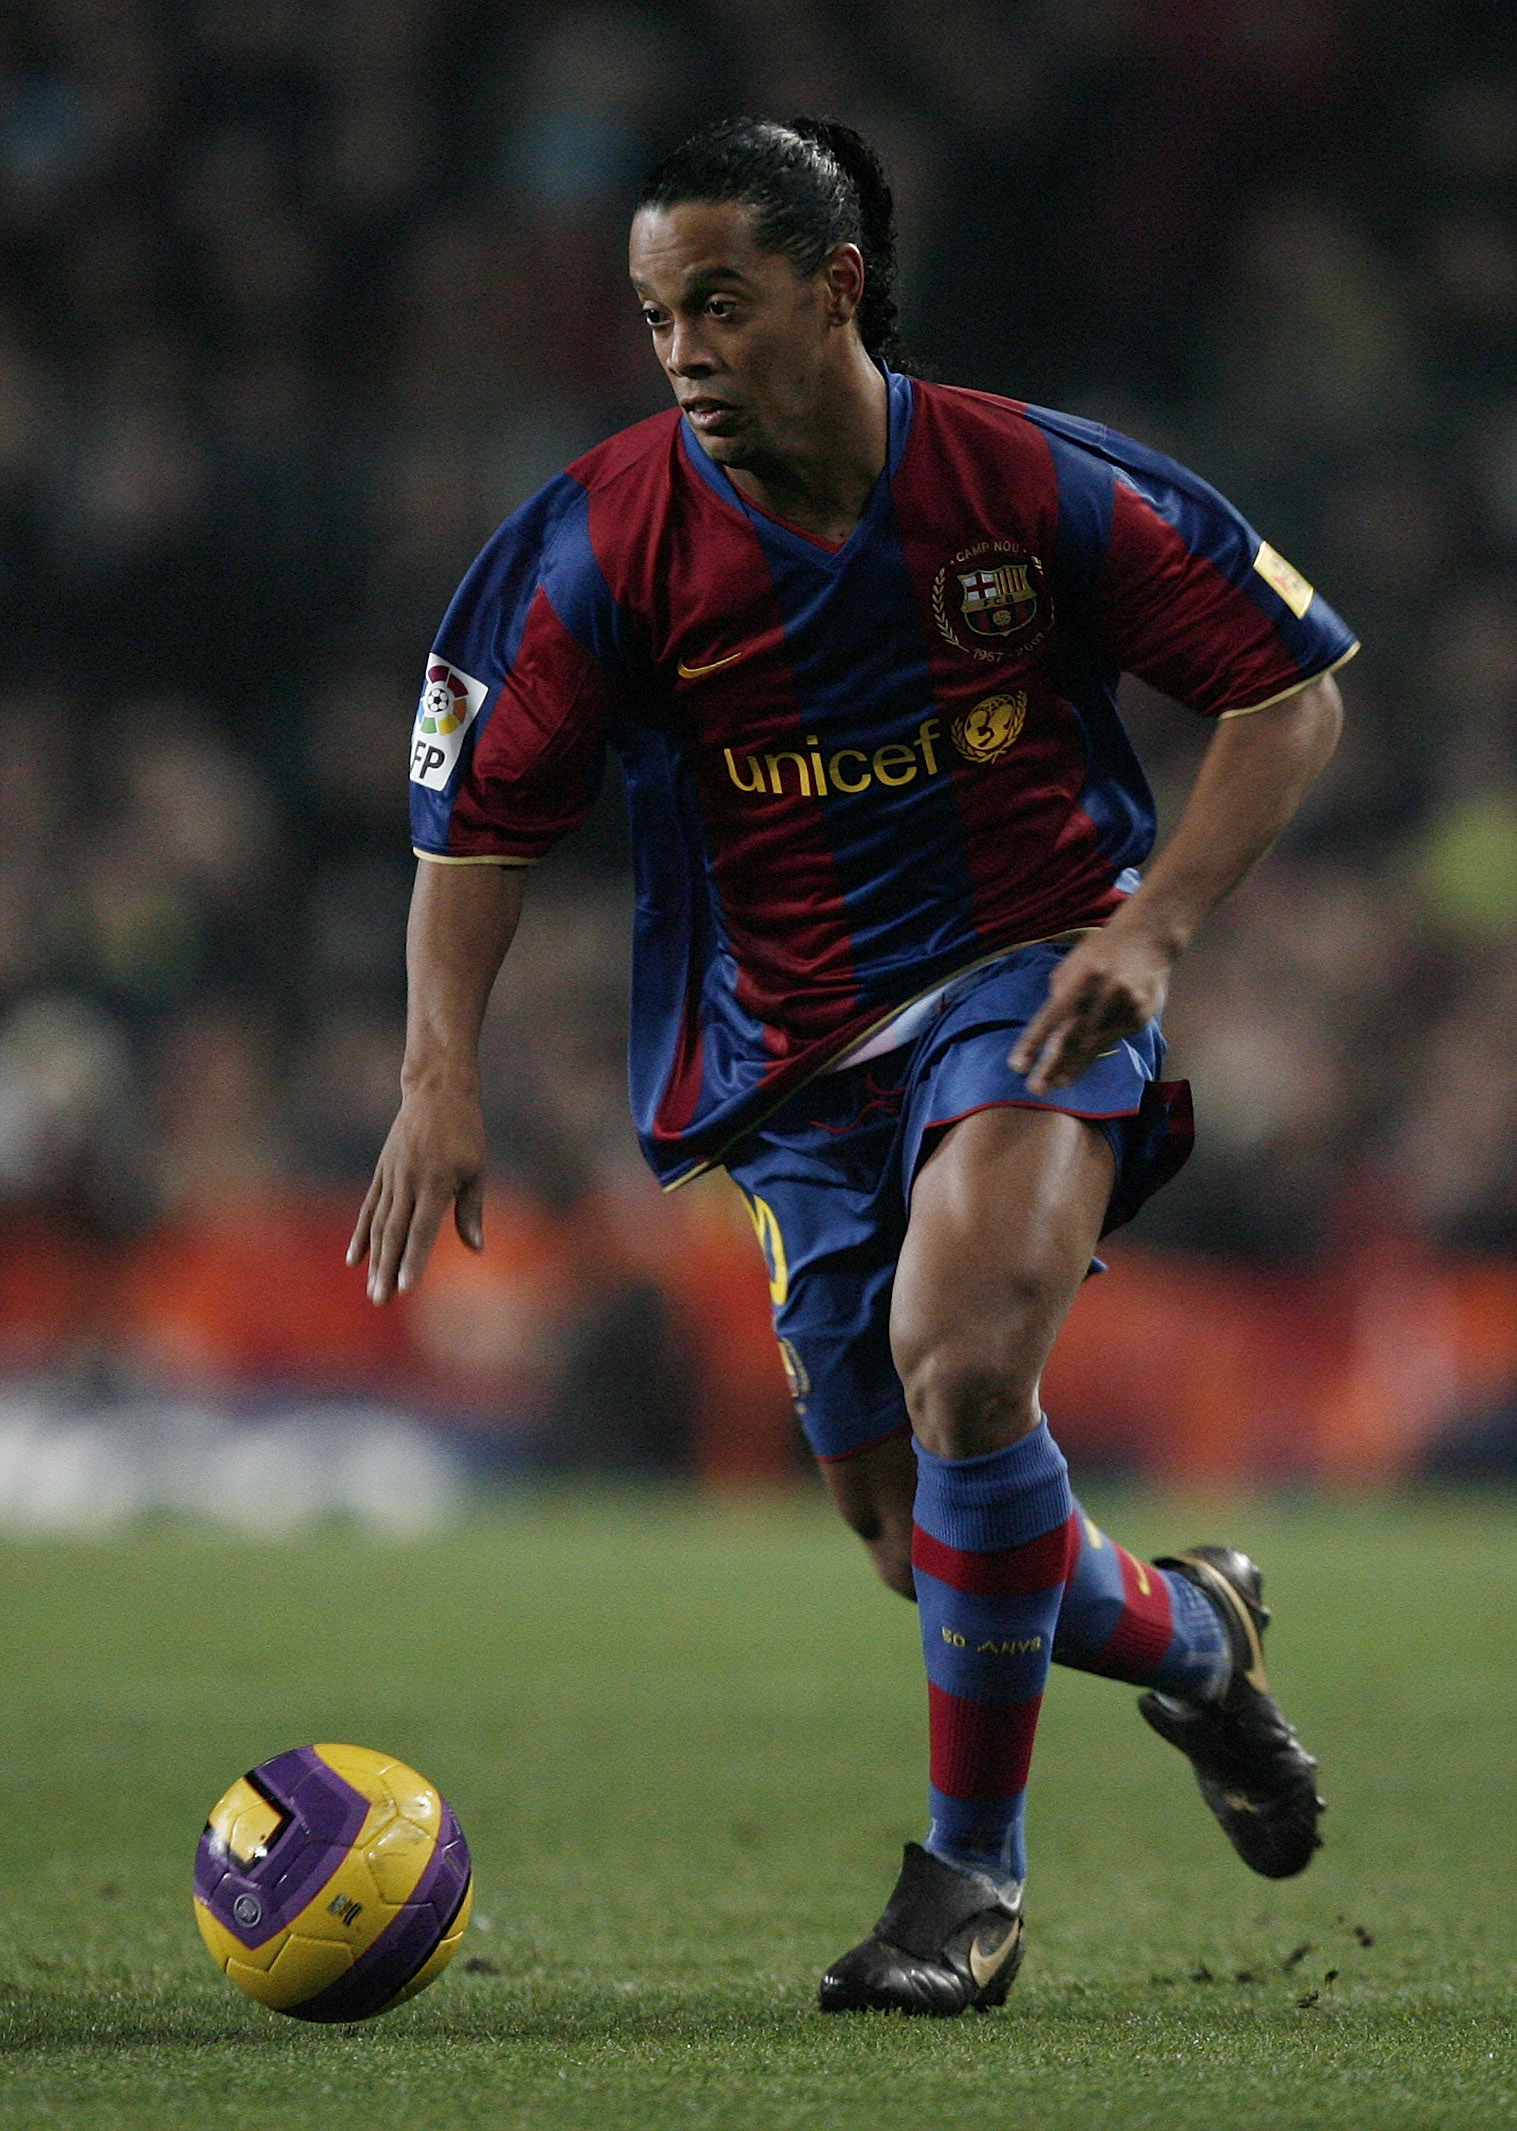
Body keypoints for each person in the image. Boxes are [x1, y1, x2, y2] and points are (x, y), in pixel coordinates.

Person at [350, 116, 1355, 2016]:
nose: (683, 353)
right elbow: (472, 826)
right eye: (656, 316)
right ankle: (1193, 1643)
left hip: (1025, 974)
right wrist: (434, 1076)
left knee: (968, 1363)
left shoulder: (1029, 482)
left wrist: (1150, 931)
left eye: (718, 305)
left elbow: (1284, 690)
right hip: (783, 1054)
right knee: (919, 1540)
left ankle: (966, 1888)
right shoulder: (592, 541)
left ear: (836, 288)